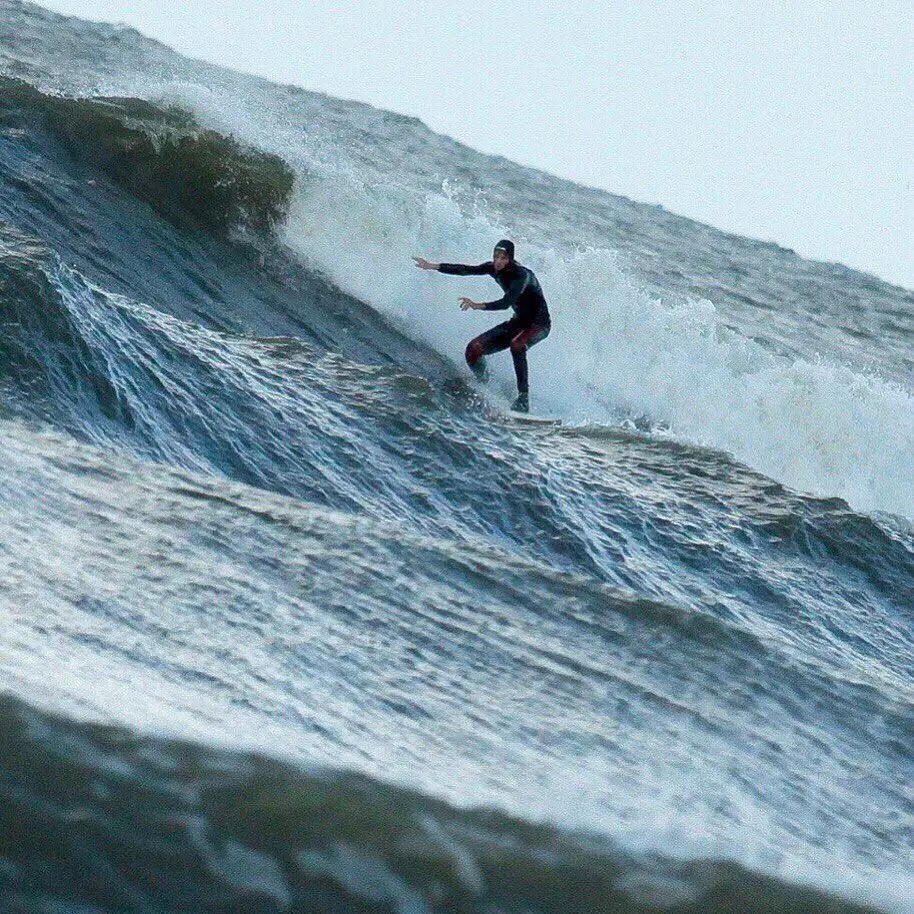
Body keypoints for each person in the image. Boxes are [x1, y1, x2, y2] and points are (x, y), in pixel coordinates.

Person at [413, 240, 550, 413]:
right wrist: (432, 266)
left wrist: (477, 305)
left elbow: (506, 303)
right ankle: (485, 383)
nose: (498, 261)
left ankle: (523, 399)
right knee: (473, 350)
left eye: (503, 258)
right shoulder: (492, 268)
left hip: (539, 324)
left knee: (517, 345)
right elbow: (465, 269)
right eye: (496, 257)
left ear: (511, 258)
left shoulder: (522, 276)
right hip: (518, 323)